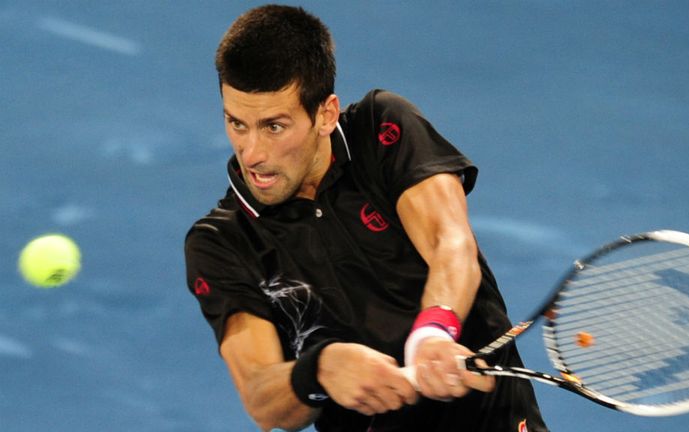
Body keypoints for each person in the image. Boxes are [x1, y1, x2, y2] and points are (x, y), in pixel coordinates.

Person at [185, 4, 548, 432]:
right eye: (237, 123)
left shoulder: (382, 130)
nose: (252, 153)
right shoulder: (223, 241)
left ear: (325, 113)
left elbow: (449, 242)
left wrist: (434, 330)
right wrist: (319, 370)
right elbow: (263, 398)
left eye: (274, 126)